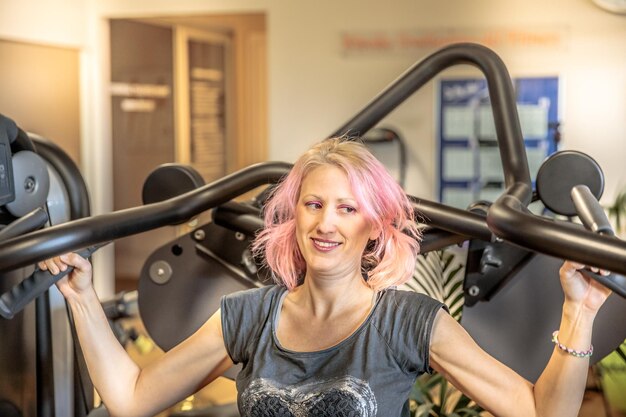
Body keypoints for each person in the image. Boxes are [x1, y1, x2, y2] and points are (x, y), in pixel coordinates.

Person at [40, 137, 612, 417]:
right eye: (313, 205)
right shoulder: (249, 316)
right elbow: (132, 398)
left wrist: (579, 312)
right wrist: (82, 297)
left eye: (346, 208)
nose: (325, 223)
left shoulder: (409, 323)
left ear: (376, 225)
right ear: (295, 217)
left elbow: (540, 413)